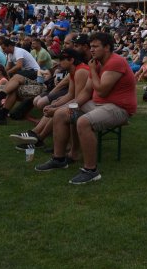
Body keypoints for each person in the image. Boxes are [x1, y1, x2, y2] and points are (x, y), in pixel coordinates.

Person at [35, 32, 137, 184]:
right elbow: (86, 93)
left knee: (83, 122)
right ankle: (59, 159)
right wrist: (60, 108)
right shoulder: (97, 63)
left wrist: (93, 71)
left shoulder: (115, 62)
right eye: (91, 46)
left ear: (107, 47)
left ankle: (91, 170)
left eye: (96, 46)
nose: (92, 49)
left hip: (119, 108)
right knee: (61, 114)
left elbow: (101, 91)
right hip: (99, 105)